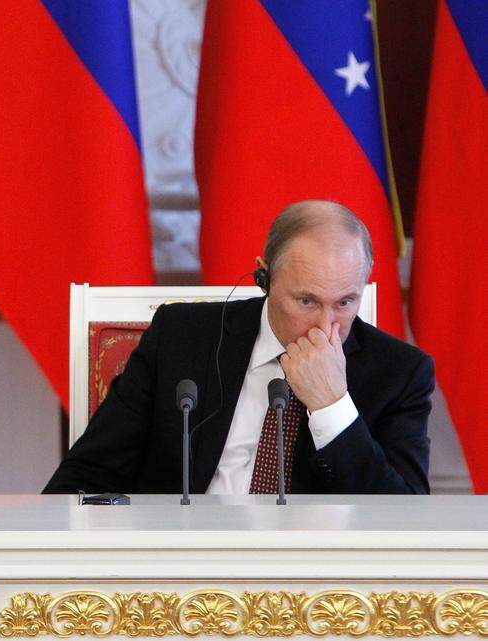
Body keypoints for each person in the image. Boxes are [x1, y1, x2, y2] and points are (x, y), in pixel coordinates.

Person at [45, 200, 433, 495]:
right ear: (264, 276)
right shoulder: (181, 337)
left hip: (315, 587)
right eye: (306, 301)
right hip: (177, 570)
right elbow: (82, 479)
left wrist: (332, 406)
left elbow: (402, 518)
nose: (324, 325)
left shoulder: (399, 373)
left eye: (345, 302)